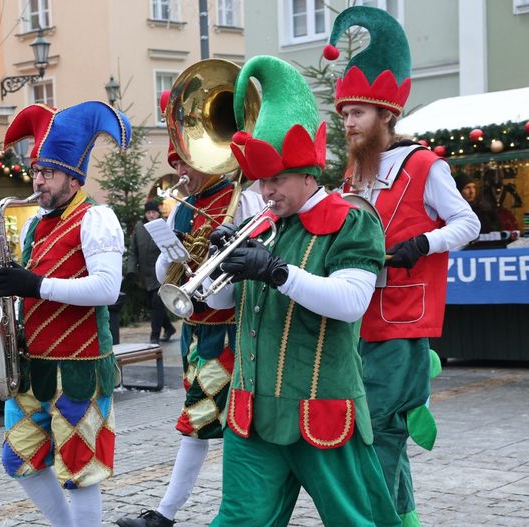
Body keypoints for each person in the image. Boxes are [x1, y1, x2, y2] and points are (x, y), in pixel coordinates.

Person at [207, 55, 400, 526]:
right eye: (261, 180)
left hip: (322, 410)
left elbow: (352, 302)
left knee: (355, 520)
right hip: (251, 413)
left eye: (277, 179)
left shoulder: (350, 220)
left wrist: (275, 271)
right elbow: (219, 305)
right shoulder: (264, 226)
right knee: (238, 521)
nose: (267, 190)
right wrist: (216, 268)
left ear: (309, 173)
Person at [325, 7, 480, 526]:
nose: (347, 123)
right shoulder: (353, 172)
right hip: (356, 319)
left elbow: (467, 223)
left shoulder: (424, 165)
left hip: (404, 319)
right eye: (344, 114)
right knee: (381, 427)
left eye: (358, 114)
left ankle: (376, 520)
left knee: (377, 429)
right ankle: (403, 517)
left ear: (386, 115)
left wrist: (423, 244)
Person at [117, 84, 264, 527]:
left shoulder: (240, 199)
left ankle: (168, 513)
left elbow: (246, 273)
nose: (180, 170)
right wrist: (170, 249)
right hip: (196, 329)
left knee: (206, 421)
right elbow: (169, 275)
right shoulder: (185, 205)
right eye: (176, 161)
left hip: (230, 327)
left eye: (183, 160)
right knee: (207, 421)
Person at [0, 101, 130, 526]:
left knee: (81, 472)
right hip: (35, 368)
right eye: (35, 171)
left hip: (81, 369)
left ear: (74, 177)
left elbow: (108, 290)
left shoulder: (97, 218)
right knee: (18, 459)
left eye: (47, 173)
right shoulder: (35, 222)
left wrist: (35, 286)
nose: (38, 181)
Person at [127, 200, 175, 344]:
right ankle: (169, 328)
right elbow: (133, 250)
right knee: (153, 304)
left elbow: (170, 246)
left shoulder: (164, 226)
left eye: (153, 212)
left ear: (158, 213)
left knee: (156, 303)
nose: (151, 215)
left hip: (161, 273)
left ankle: (154, 337)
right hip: (145, 275)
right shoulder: (139, 228)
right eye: (148, 213)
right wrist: (131, 270)